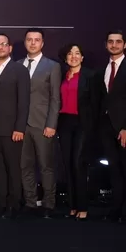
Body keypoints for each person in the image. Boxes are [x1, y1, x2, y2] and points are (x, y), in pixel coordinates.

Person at [94, 30, 126, 222]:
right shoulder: (102, 70)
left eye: (118, 42)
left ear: (125, 44)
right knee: (114, 168)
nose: (114, 45)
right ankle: (116, 207)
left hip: (125, 128)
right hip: (106, 127)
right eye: (110, 42)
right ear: (106, 44)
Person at [0, 33, 29, 219]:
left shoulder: (19, 70)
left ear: (10, 48)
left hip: (12, 130)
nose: (0, 47)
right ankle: (1, 204)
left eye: (3, 44)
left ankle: (14, 205)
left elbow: (24, 101)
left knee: (13, 169)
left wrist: (19, 127)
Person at [19, 28, 62, 218]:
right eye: (29, 39)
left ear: (42, 43)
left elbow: (55, 98)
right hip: (21, 126)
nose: (33, 43)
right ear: (25, 42)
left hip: (43, 124)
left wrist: (51, 124)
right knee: (24, 166)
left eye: (37, 40)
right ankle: (30, 202)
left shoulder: (52, 66)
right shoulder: (17, 65)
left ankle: (49, 204)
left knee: (46, 166)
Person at [55, 44, 95, 220]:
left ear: (82, 57)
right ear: (65, 58)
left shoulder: (90, 76)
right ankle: (72, 206)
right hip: (64, 123)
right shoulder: (62, 76)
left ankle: (83, 207)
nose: (74, 56)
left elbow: (96, 104)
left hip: (82, 123)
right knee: (68, 164)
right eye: (70, 54)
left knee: (78, 163)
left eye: (77, 53)